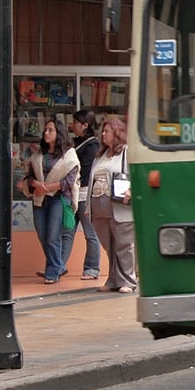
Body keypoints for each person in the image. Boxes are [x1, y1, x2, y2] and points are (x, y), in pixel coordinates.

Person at [20, 117, 79, 284]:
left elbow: (69, 180)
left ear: (59, 133)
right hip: (39, 199)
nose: (46, 133)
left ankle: (52, 272)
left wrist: (47, 187)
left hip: (58, 199)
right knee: (43, 235)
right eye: (45, 130)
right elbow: (29, 176)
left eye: (50, 130)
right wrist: (35, 184)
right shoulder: (38, 155)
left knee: (53, 236)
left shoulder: (69, 156)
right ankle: (59, 265)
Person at [89, 116, 137, 293]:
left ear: (117, 133)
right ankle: (113, 280)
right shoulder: (100, 155)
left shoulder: (126, 152)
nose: (103, 134)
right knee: (109, 246)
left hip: (119, 205)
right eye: (103, 131)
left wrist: (132, 189)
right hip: (99, 206)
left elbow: (137, 174)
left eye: (107, 131)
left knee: (124, 245)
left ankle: (128, 281)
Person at [69, 110, 104, 282]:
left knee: (90, 233)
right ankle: (57, 266)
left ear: (85, 125)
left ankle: (92, 268)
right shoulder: (75, 142)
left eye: (76, 122)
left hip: (83, 194)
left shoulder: (92, 145)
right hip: (73, 194)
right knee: (67, 232)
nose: (72, 125)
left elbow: (86, 171)